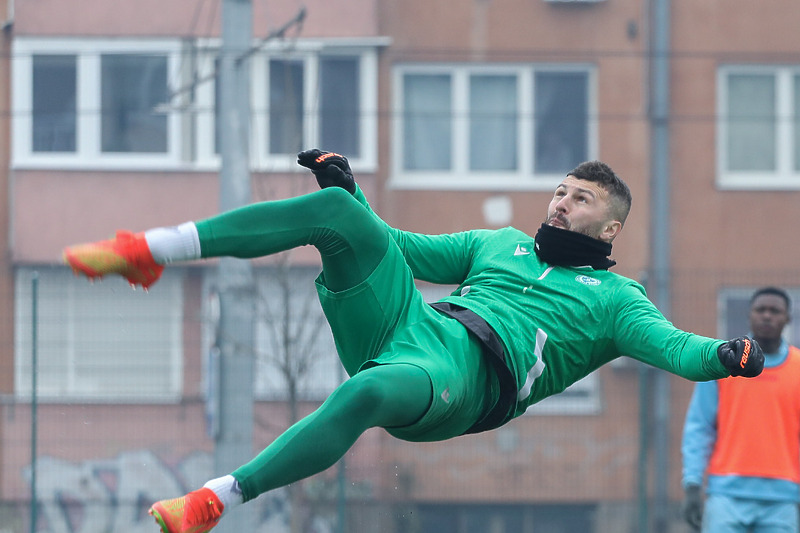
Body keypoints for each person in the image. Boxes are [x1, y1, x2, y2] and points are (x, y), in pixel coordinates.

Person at [62, 149, 764, 533]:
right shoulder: (500, 244)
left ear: (609, 229)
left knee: (365, 389)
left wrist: (724, 357)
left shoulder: (616, 300)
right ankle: (149, 248)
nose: (560, 202)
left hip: (467, 377)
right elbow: (398, 247)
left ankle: (214, 499)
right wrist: (351, 191)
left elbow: (676, 348)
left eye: (580, 199)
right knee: (337, 214)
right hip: (415, 324)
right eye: (559, 190)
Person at [681, 286, 800, 532]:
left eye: (775, 311)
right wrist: (692, 484)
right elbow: (700, 426)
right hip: (726, 495)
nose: (767, 316)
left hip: (783, 498)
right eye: (761, 310)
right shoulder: (722, 363)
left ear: (788, 318)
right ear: (749, 315)